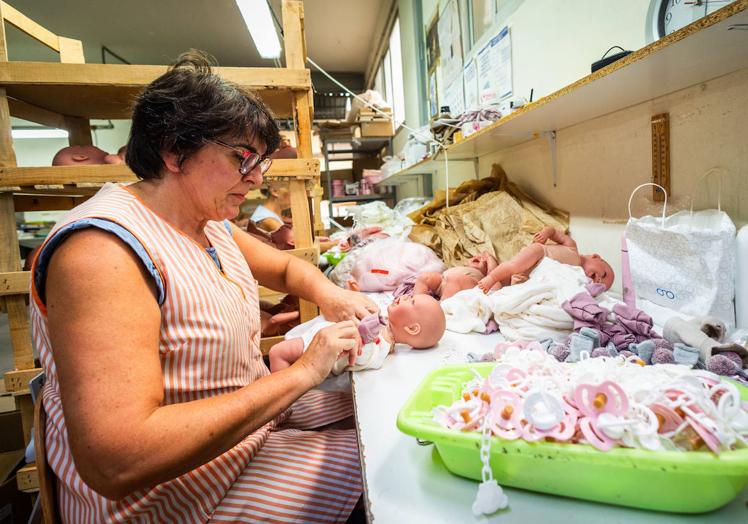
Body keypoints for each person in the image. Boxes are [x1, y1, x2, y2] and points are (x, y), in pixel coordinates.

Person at [30, 50, 378, 523]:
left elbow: (286, 270)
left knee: (376, 420)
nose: (255, 179)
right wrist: (301, 374)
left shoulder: (207, 221)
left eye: (261, 164)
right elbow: (118, 458)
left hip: (238, 444)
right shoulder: (101, 251)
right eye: (242, 159)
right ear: (174, 150)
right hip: (170, 501)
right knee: (379, 464)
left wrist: (331, 295)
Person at [269, 293, 447, 373]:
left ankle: (282, 406)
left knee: (278, 352)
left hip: (317, 347)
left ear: (412, 328)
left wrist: (365, 336)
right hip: (320, 336)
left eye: (412, 301)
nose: (405, 297)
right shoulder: (385, 329)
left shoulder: (382, 346)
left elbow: (361, 358)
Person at [477, 226, 615, 293]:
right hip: (539, 254)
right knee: (513, 266)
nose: (598, 280)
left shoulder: (576, 278)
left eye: (601, 286)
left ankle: (491, 269)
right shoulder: (572, 247)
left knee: (510, 291)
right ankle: (491, 278)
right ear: (596, 257)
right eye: (604, 274)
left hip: (531, 278)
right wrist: (545, 234)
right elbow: (554, 232)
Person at [412, 251, 499, 300]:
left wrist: (489, 258)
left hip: (464, 287)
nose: (479, 258)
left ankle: (443, 307)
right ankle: (418, 301)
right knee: (425, 277)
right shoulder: (462, 267)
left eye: (485, 262)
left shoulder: (483, 278)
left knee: (455, 278)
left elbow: (494, 273)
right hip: (442, 282)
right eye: (475, 257)